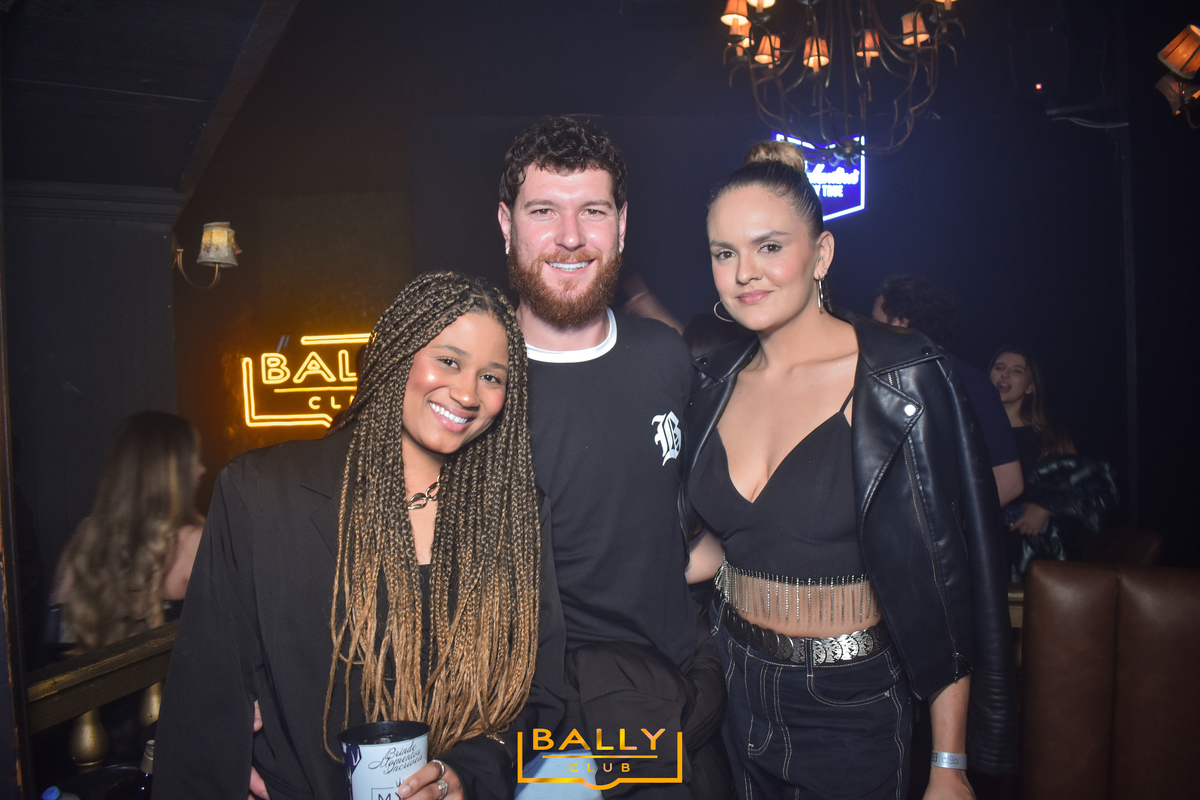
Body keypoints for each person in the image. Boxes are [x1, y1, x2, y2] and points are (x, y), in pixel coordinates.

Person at [681, 140, 1018, 798]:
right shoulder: (712, 379)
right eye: (724, 253)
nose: (745, 272)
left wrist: (949, 764)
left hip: (850, 707)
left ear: (822, 254)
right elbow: (727, 542)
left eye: (769, 247)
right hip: (727, 688)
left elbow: (945, 580)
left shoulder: (900, 378)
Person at [154, 272, 564, 800]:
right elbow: (206, 691)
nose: (467, 393)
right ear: (396, 354)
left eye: (491, 376)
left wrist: (466, 773)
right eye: (448, 360)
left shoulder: (515, 516)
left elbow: (540, 693)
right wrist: (229, 759)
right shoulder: (262, 494)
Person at [497, 116, 727, 797]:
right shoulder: (471, 381)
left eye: (593, 211)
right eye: (544, 210)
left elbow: (686, 517)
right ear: (507, 224)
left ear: (622, 225)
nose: (570, 236)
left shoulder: (666, 357)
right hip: (538, 725)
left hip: (670, 703)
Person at [50, 411, 205, 652]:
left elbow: (57, 636)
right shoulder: (194, 543)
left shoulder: (86, 540)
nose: (202, 470)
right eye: (193, 459)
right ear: (171, 472)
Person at [872, 274, 1024, 507]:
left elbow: (1009, 481)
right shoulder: (889, 380)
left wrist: (953, 524)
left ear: (900, 323)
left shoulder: (970, 384)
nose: (870, 334)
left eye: (876, 323)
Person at [988, 347, 1115, 580]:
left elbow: (1089, 482)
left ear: (1030, 386)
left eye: (1016, 371)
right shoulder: (971, 429)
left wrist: (1046, 508)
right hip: (985, 542)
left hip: (1035, 549)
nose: (1004, 375)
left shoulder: (1048, 435)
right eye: (999, 368)